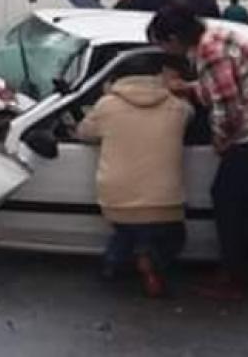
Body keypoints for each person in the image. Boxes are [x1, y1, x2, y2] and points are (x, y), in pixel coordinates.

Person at [149, 2, 248, 299]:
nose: (166, 53)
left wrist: (221, 141)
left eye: (162, 46)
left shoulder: (209, 52)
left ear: (174, 40)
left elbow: (228, 107)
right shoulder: (214, 35)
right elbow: (220, 86)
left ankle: (237, 278)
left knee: (228, 201)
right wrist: (189, 88)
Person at [76, 54, 191, 297]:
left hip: (118, 198)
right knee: (172, 236)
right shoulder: (177, 107)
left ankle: (116, 263)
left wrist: (105, 96)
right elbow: (191, 115)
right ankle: (147, 256)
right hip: (165, 199)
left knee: (126, 229)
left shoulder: (106, 106)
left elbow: (83, 133)